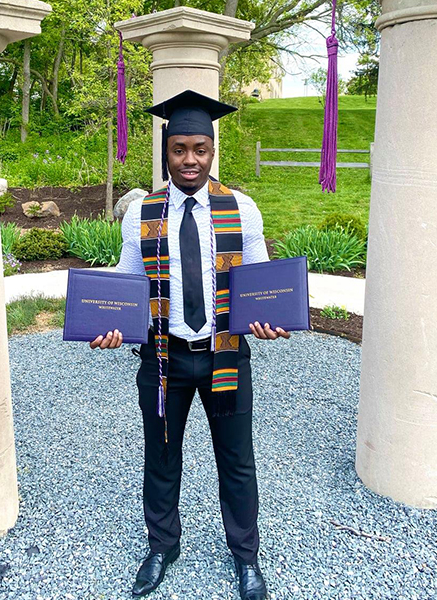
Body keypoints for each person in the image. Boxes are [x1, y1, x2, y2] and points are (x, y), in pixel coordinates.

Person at [90, 89, 289, 600]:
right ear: (166, 152)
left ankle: (246, 558)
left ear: (212, 149)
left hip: (225, 354)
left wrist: (266, 320)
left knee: (237, 461)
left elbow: (260, 280)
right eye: (180, 149)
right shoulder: (143, 212)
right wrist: (110, 322)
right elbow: (127, 281)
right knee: (160, 457)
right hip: (164, 358)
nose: (190, 160)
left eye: (200, 148)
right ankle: (161, 546)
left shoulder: (240, 209)